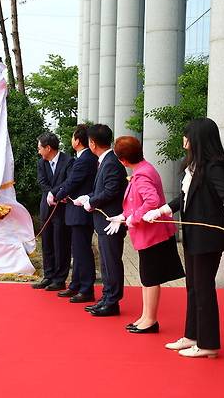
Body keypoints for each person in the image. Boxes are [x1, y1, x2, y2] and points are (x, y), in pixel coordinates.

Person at [144, 118, 224, 358]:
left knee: (204, 289)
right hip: (193, 237)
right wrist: (161, 211)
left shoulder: (213, 167)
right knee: (193, 288)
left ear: (197, 139)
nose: (183, 139)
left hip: (208, 239)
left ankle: (208, 344)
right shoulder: (194, 167)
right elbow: (183, 199)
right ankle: (192, 336)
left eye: (187, 135)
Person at [105, 136, 185, 334]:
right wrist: (123, 216)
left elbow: (151, 201)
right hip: (150, 233)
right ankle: (145, 316)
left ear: (122, 160)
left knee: (150, 277)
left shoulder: (142, 175)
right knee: (146, 276)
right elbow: (136, 201)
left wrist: (133, 217)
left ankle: (150, 319)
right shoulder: (143, 169)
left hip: (153, 234)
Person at [73, 124, 127, 317]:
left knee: (111, 262)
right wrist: (88, 197)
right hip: (103, 220)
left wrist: (92, 201)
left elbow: (111, 190)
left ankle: (112, 301)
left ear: (92, 143)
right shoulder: (105, 160)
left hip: (111, 221)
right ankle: (106, 297)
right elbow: (102, 189)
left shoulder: (111, 161)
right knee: (105, 262)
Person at [52, 124, 98, 303]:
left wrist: (58, 195)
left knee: (82, 251)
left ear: (77, 140)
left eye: (72, 137)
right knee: (77, 251)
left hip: (80, 212)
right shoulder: (84, 157)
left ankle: (86, 288)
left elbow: (72, 182)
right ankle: (76, 284)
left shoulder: (85, 158)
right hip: (76, 209)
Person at [33, 132, 73, 291]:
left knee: (61, 242)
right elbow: (42, 182)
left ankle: (60, 278)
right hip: (46, 206)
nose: (39, 151)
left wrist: (55, 193)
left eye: (40, 148)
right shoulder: (41, 163)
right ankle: (48, 275)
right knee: (47, 241)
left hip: (62, 207)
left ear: (48, 148)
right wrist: (50, 193)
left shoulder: (68, 161)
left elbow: (68, 181)